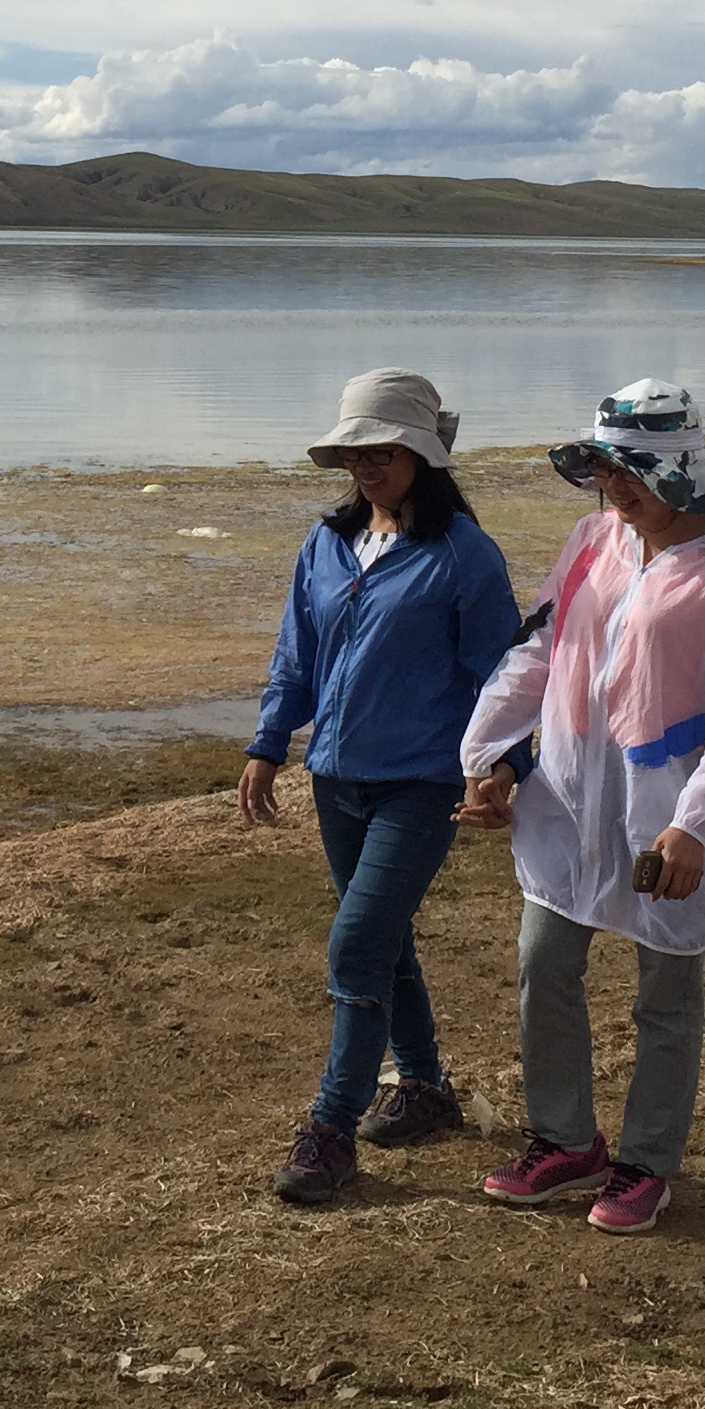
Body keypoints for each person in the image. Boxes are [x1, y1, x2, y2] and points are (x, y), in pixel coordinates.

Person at [455, 378, 705, 1234]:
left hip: (664, 812)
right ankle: (565, 1141)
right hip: (566, 796)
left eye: (632, 472)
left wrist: (695, 823)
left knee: (665, 993)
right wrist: (487, 754)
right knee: (543, 965)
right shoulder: (594, 540)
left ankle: (646, 1162)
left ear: (681, 470)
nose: (615, 489)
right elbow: (539, 650)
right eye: (604, 471)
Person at [238, 368, 526, 1207]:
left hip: (421, 784)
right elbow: (298, 656)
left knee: (356, 944)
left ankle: (331, 1127)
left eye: (385, 450)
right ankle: (428, 1088)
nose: (367, 463)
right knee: (385, 942)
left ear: (423, 455)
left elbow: (504, 676)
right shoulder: (325, 545)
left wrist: (506, 767)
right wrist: (268, 742)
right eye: (355, 450)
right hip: (336, 781)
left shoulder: (464, 556)